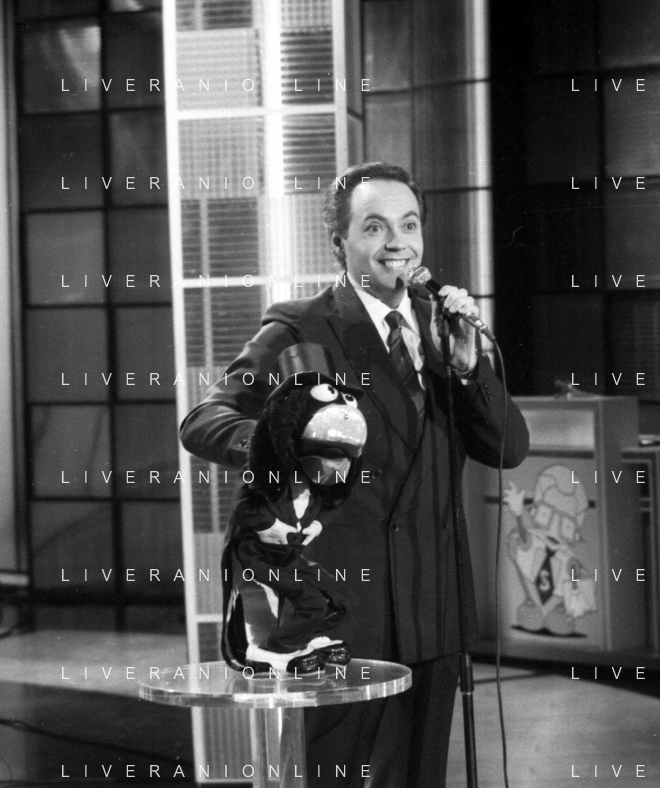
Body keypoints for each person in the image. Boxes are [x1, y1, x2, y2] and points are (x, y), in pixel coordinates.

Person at [179, 161, 529, 787]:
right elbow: (204, 420)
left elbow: (509, 448)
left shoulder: (444, 329)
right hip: (339, 614)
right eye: (374, 227)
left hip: (433, 607)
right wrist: (283, 442)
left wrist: (469, 369)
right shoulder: (301, 326)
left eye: (409, 225)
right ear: (339, 242)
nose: (398, 242)